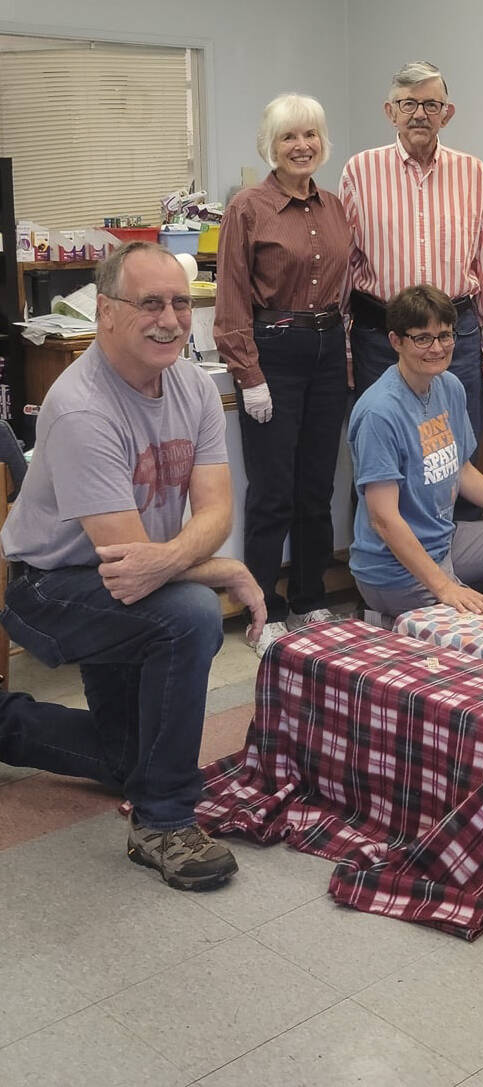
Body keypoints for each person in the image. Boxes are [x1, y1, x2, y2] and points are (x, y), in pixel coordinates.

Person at [0, 242, 265, 891]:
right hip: (51, 586)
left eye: (179, 302)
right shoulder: (81, 406)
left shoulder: (193, 386)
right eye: (151, 303)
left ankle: (6, 726)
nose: (171, 318)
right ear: (108, 313)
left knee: (128, 758)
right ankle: (163, 821)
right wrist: (220, 571)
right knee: (191, 616)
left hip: (124, 583)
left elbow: (214, 512)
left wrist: (186, 556)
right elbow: (125, 564)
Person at [215, 93, 351, 654]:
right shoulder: (248, 208)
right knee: (273, 491)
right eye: (289, 137)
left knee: (316, 489)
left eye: (311, 136)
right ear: (271, 146)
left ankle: (310, 598)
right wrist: (249, 373)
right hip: (274, 350)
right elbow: (231, 298)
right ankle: (262, 609)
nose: (302, 146)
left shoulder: (337, 206)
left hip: (327, 352)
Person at [348, 284, 483, 618]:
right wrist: (444, 587)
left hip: (443, 543)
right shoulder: (379, 412)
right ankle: (390, 619)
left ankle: (461, 603)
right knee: (481, 627)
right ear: (396, 341)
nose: (436, 348)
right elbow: (384, 519)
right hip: (392, 571)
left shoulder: (448, 386)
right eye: (422, 338)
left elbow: (461, 471)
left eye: (445, 336)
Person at [340, 60, 483, 452]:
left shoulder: (474, 173)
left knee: (458, 451)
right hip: (381, 338)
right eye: (408, 104)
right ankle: (383, 518)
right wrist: (345, 348)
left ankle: (457, 518)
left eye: (431, 105)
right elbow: (345, 265)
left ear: (446, 114)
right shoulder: (360, 171)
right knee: (383, 449)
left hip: (456, 337)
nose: (419, 114)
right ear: (391, 112)